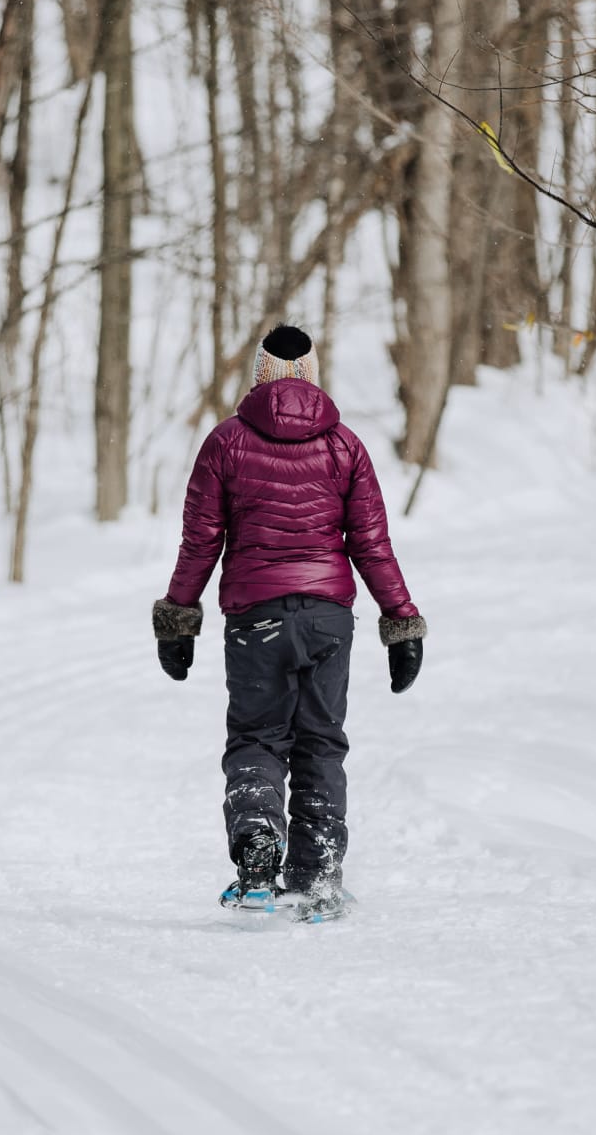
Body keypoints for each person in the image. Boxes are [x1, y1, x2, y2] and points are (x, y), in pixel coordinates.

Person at [151, 323, 426, 912]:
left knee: (257, 737)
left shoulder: (225, 442)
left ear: (259, 374)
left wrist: (178, 617)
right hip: (328, 618)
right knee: (321, 744)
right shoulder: (344, 445)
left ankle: (257, 850)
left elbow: (199, 542)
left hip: (256, 620)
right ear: (313, 375)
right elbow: (372, 543)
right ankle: (318, 875)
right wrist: (401, 621)